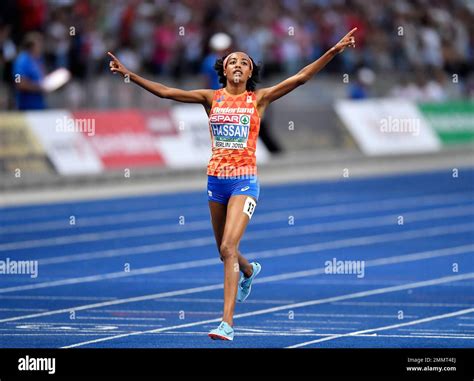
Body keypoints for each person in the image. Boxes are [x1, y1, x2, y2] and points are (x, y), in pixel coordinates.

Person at [107, 27, 357, 341]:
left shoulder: (260, 99)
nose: (238, 65)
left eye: (244, 62)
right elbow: (165, 92)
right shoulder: (209, 98)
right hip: (215, 181)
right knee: (223, 251)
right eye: (232, 62)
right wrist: (128, 73)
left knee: (228, 247)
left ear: (251, 71)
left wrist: (333, 51)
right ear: (223, 70)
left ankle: (226, 323)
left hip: (244, 182)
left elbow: (302, 77)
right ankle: (249, 270)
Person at [12, 31, 46, 110]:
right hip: (26, 107)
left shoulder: (39, 60)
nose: (41, 46)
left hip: (39, 105)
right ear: (32, 46)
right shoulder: (21, 60)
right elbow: (18, 82)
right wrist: (38, 87)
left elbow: (42, 78)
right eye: (39, 43)